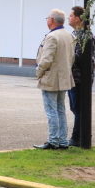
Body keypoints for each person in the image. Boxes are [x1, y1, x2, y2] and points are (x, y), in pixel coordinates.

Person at [34, 9, 75, 150]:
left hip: (51, 78)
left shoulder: (52, 37)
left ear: (51, 20)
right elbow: (72, 58)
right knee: (60, 109)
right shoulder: (69, 35)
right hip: (63, 77)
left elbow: (46, 59)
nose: (47, 20)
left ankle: (53, 141)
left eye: (47, 18)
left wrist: (39, 72)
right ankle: (62, 141)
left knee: (51, 110)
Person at [67, 6, 95, 148]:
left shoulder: (84, 37)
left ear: (77, 19)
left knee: (78, 109)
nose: (68, 18)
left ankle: (77, 138)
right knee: (75, 108)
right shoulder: (75, 35)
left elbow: (78, 58)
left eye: (71, 15)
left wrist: (65, 55)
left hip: (79, 79)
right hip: (73, 77)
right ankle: (78, 137)